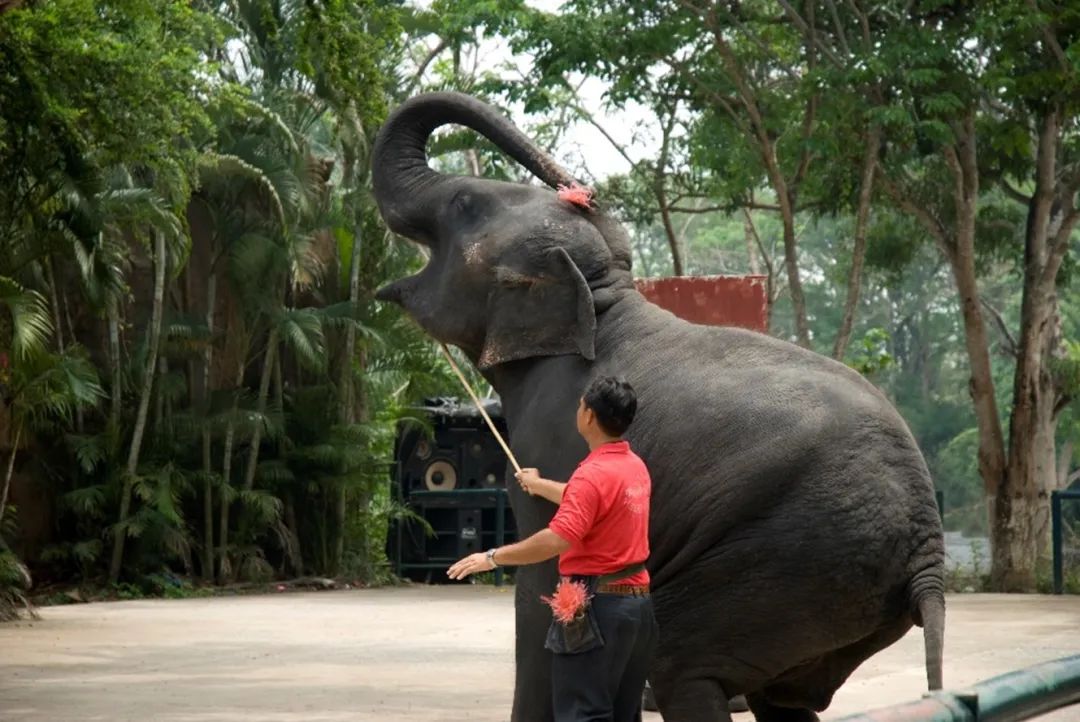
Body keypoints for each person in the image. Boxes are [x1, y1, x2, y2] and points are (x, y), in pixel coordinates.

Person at [448, 376, 657, 722]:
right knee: (623, 715)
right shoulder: (634, 467)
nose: (578, 410)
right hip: (637, 609)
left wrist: (492, 557)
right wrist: (539, 485)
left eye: (580, 405)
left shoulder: (592, 475)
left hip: (598, 609)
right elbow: (591, 503)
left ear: (589, 416)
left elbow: (559, 537)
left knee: (583, 713)